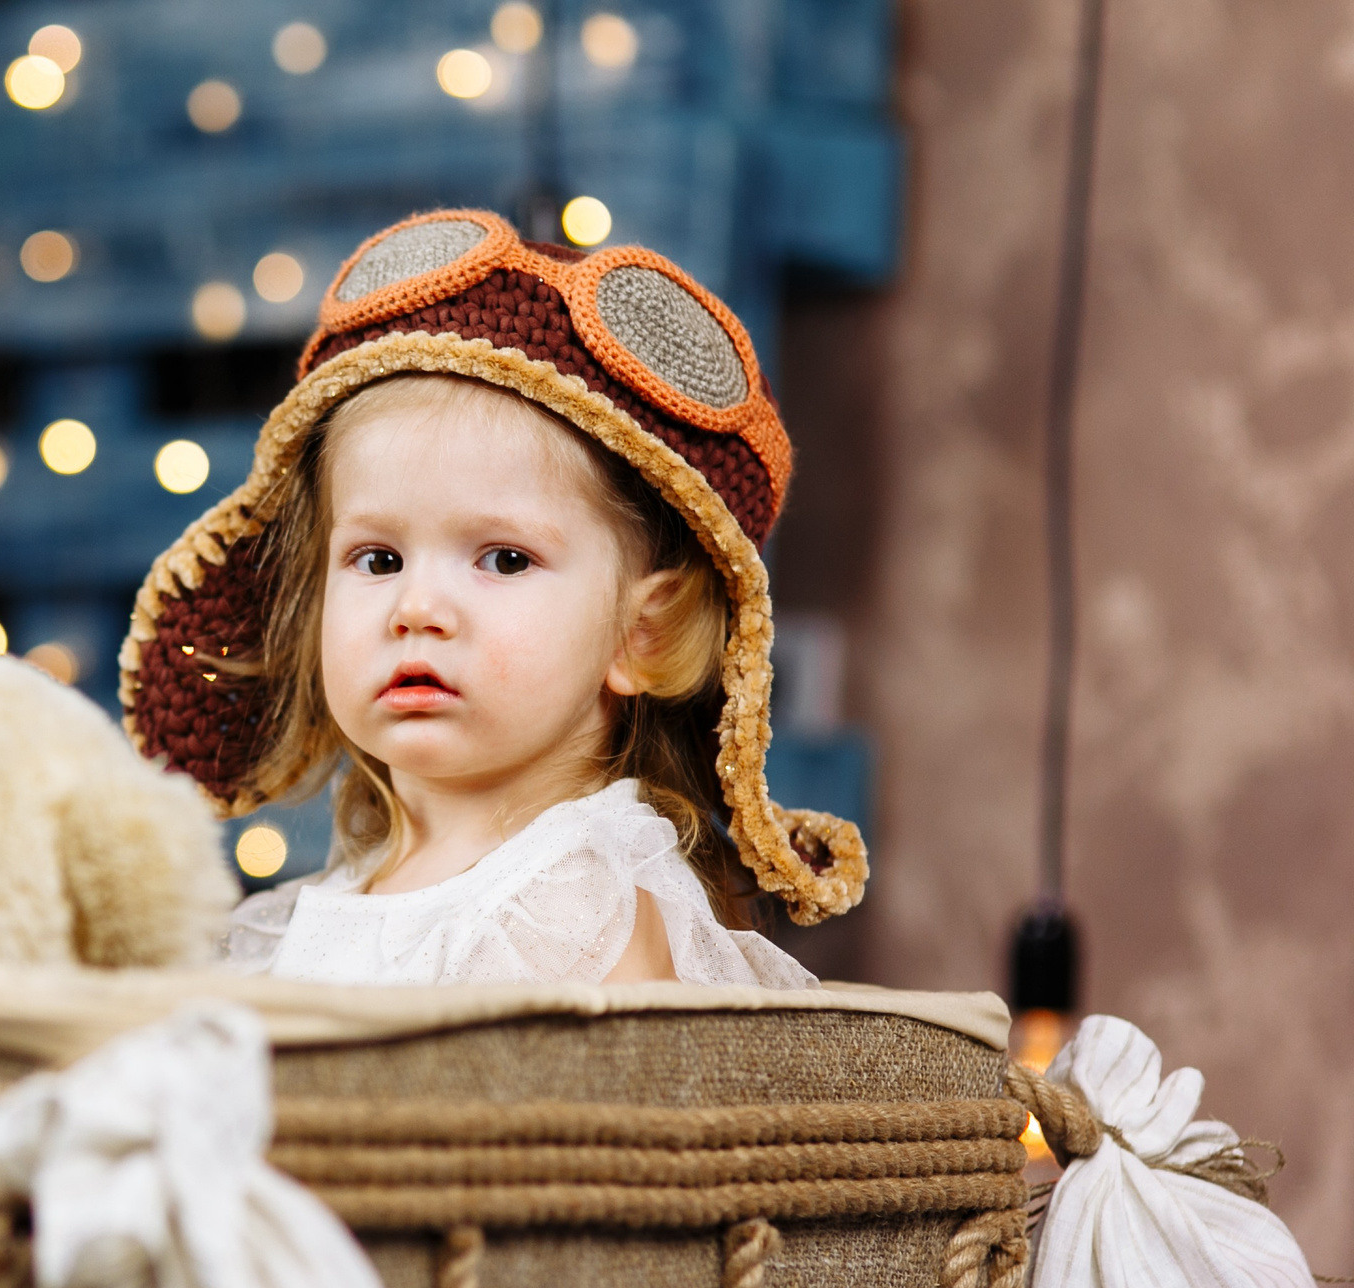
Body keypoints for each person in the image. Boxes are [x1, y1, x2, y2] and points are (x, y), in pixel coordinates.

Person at [120, 209, 868, 985]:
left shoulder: (575, 911)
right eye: (377, 558)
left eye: (504, 559)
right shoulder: (308, 912)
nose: (417, 608)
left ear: (641, 634)